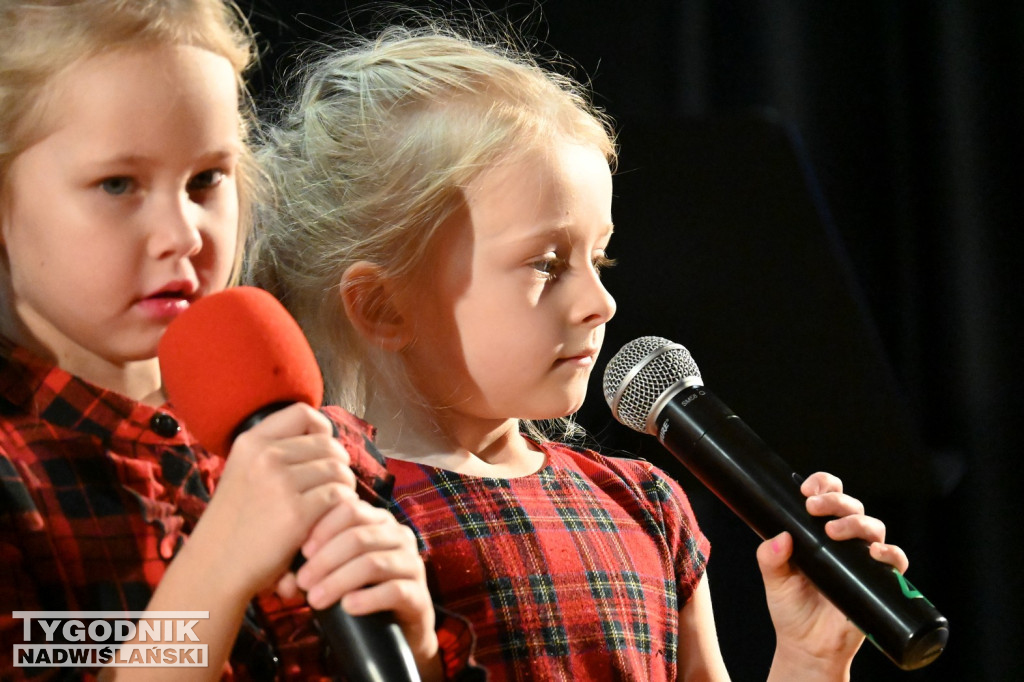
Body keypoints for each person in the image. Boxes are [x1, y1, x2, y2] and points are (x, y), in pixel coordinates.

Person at [247, 21, 911, 682]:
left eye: (600, 257)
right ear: (385, 306)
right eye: (546, 264)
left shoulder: (647, 505)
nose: (603, 302)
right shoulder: (328, 526)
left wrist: (810, 658)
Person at [0, 2, 456, 679]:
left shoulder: (319, 447)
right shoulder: (15, 476)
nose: (183, 234)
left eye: (206, 180)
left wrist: (416, 648)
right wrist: (214, 572)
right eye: (118, 184)